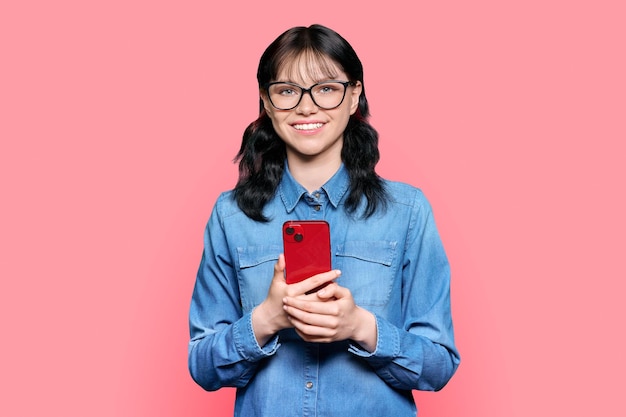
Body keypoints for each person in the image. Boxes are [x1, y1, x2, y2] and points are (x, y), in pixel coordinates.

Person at [188, 24, 460, 416]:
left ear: (354, 97)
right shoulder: (231, 216)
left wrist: (360, 328)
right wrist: (265, 319)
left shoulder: (407, 211)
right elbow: (202, 365)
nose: (307, 106)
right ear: (266, 102)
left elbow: (438, 365)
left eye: (327, 88)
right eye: (287, 91)